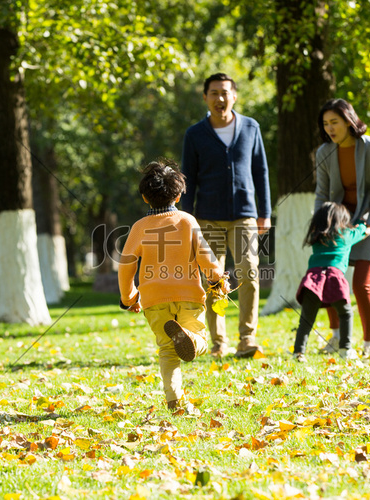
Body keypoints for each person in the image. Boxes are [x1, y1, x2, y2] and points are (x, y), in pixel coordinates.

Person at [118, 159, 231, 410]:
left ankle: (174, 400)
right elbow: (205, 256)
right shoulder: (186, 221)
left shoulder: (139, 227)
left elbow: (126, 265)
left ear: (146, 199)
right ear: (178, 196)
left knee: (168, 351)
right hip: (188, 295)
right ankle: (189, 337)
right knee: (199, 337)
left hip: (153, 299)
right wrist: (216, 278)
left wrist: (129, 297)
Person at [181, 72, 272, 359]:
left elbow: (261, 171)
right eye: (214, 93)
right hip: (206, 217)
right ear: (205, 97)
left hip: (245, 214)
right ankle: (219, 343)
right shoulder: (194, 134)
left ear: (234, 96)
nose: (220, 98)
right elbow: (188, 179)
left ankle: (247, 338)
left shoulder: (251, 127)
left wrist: (264, 212)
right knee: (213, 279)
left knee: (250, 273)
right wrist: (186, 218)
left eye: (225, 92)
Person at [314, 99, 370, 358]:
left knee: (361, 285)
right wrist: (320, 224)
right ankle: (335, 337)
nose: (330, 128)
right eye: (326, 124)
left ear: (349, 120)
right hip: (338, 221)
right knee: (330, 279)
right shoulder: (324, 152)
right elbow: (321, 192)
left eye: (334, 122)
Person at [293, 202, 370, 361]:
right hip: (334, 278)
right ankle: (345, 349)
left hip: (313, 279)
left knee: (306, 318)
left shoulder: (317, 237)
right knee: (345, 313)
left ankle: (298, 352)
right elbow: (363, 231)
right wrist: (368, 226)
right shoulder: (345, 235)